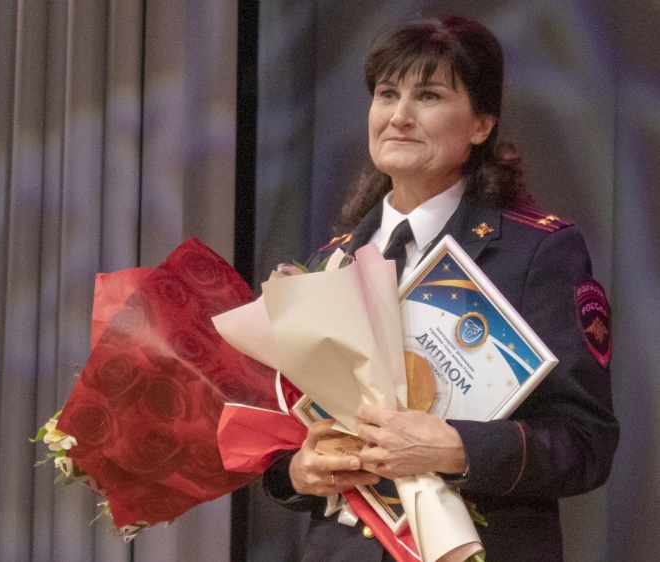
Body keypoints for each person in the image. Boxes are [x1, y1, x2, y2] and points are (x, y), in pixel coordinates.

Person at [261, 15, 618, 562]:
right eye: (387, 94)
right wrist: (298, 472)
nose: (399, 116)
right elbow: (285, 434)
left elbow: (586, 443)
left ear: (480, 125)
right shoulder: (328, 264)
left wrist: (456, 448)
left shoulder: (537, 255)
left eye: (428, 96)